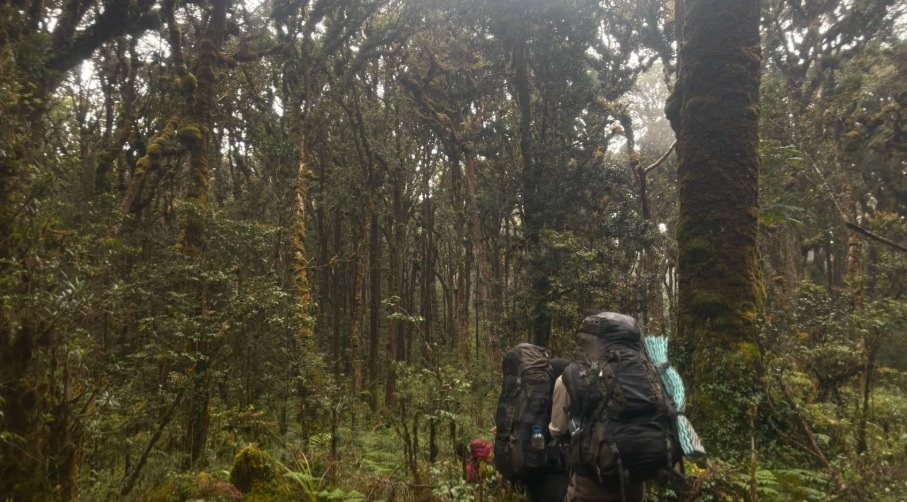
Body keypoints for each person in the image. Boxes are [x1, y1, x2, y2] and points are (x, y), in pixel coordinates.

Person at [549, 316, 645, 502]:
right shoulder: (643, 376)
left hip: (590, 486)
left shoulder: (571, 376)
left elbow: (557, 430)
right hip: (634, 483)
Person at [522, 357, 571, 502]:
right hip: (557, 468)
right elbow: (558, 430)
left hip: (538, 471)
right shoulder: (562, 388)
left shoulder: (537, 398)